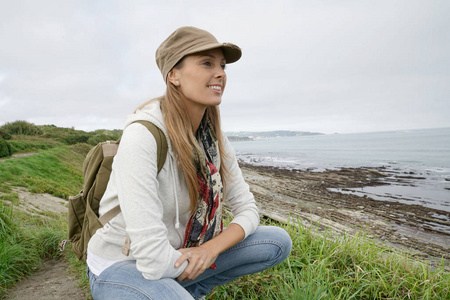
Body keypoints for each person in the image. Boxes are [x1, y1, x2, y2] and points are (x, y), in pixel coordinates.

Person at [86, 26, 292, 300]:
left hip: (177, 255)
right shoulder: (143, 136)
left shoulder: (213, 137)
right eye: (207, 63)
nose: (220, 73)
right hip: (120, 266)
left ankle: (191, 288)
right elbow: (154, 260)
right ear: (174, 75)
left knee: (276, 242)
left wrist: (209, 249)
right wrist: (195, 258)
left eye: (222, 65)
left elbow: (248, 209)